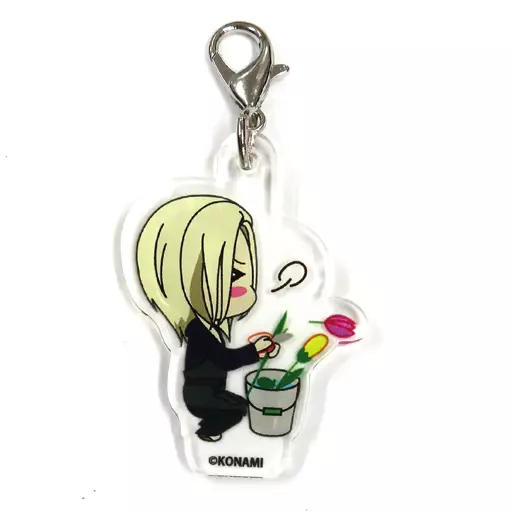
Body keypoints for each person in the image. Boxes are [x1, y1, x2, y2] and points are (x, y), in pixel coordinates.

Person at [136, 195, 280, 441]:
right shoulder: (198, 331)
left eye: (247, 274)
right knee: (237, 409)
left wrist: (258, 351)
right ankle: (206, 432)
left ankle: (209, 427)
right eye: (233, 275)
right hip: (199, 396)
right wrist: (254, 351)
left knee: (239, 405)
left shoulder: (210, 327)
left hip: (208, 392)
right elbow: (225, 360)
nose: (247, 287)